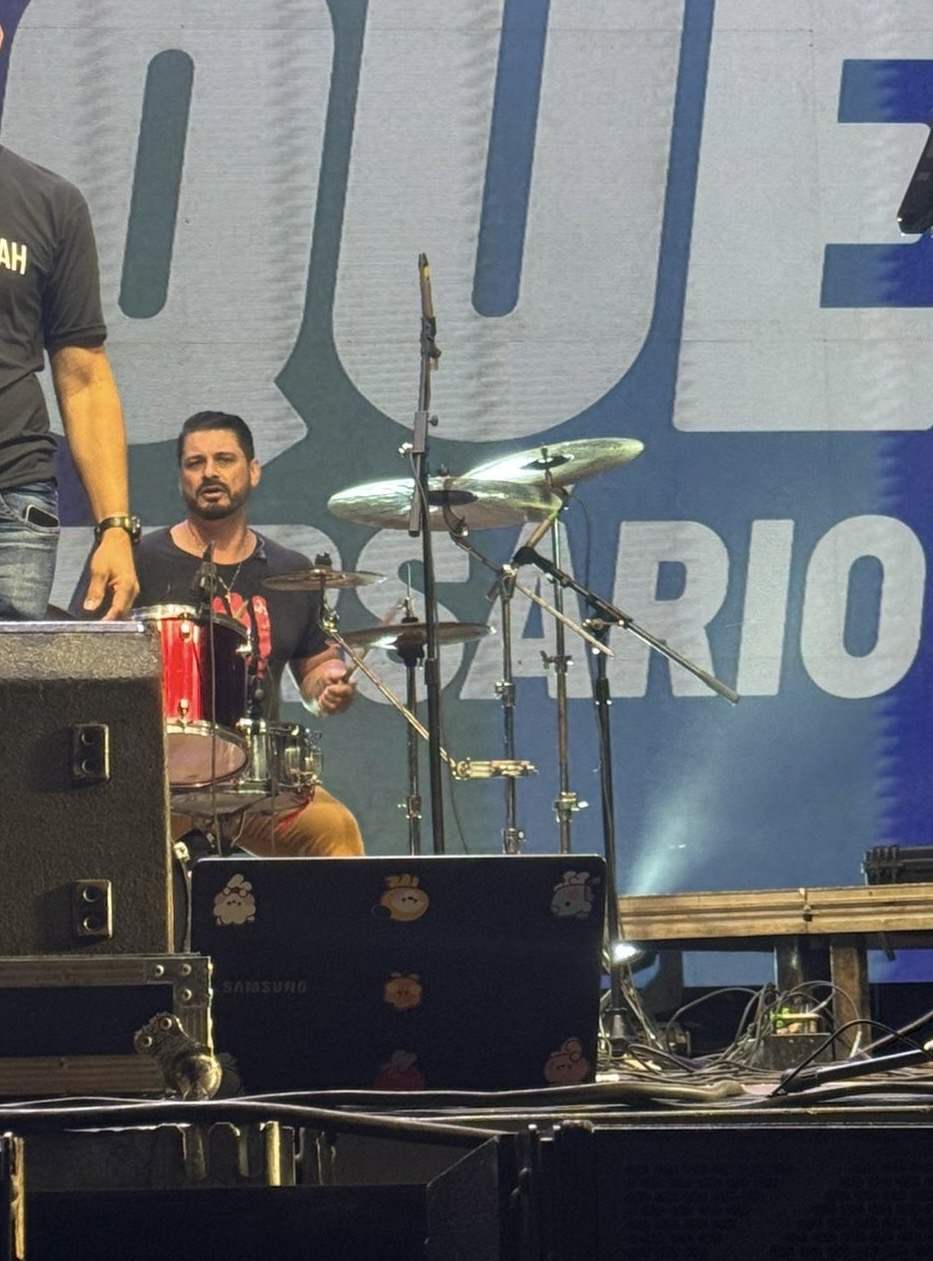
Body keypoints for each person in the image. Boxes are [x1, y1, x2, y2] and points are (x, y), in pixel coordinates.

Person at [133, 409, 364, 858]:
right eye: (195, 463)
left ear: (253, 471)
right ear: (181, 478)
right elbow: (94, 650)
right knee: (127, 853)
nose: (210, 473)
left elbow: (316, 668)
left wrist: (328, 685)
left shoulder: (290, 570)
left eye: (224, 459)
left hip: (257, 779)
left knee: (335, 831)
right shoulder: (139, 560)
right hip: (158, 775)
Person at [0, 22, 138, 619]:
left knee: (12, 683)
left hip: (11, 499)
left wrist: (115, 527)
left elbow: (83, 376)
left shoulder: (50, 201)